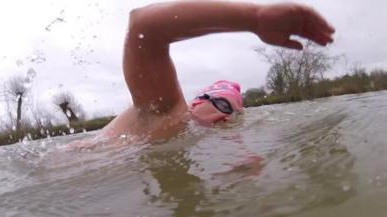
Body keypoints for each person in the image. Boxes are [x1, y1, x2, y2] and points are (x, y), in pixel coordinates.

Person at [99, 1, 335, 141]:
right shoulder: (166, 111)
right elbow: (143, 27)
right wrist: (253, 19)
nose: (224, 118)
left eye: (232, 116)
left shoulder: (186, 134)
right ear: (197, 103)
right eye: (221, 106)